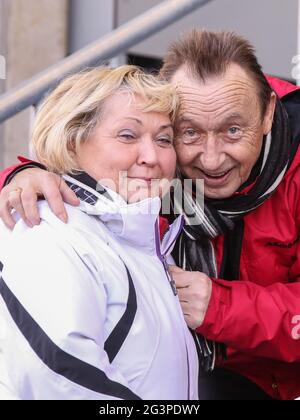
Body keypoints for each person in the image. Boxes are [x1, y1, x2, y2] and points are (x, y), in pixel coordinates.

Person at [0, 30, 300, 400]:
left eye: (233, 130)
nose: (211, 158)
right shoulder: (160, 178)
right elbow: (87, 174)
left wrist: (220, 306)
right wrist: (22, 175)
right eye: (187, 132)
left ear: (268, 112)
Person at [0, 65, 200, 400]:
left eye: (164, 139)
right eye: (128, 135)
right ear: (72, 140)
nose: (152, 156)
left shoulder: (141, 243)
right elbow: (63, 377)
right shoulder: (48, 229)